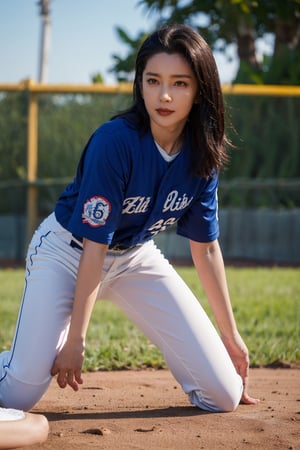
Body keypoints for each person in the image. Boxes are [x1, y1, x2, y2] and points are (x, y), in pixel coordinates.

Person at [0, 23, 259, 413]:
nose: (165, 94)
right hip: (67, 253)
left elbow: (205, 249)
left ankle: (33, 349)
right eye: (153, 80)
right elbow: (95, 244)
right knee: (20, 392)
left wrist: (231, 336)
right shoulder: (115, 142)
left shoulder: (202, 153)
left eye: (180, 83)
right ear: (140, 84)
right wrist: (77, 340)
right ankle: (25, 356)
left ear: (201, 89)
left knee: (223, 395)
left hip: (135, 256)